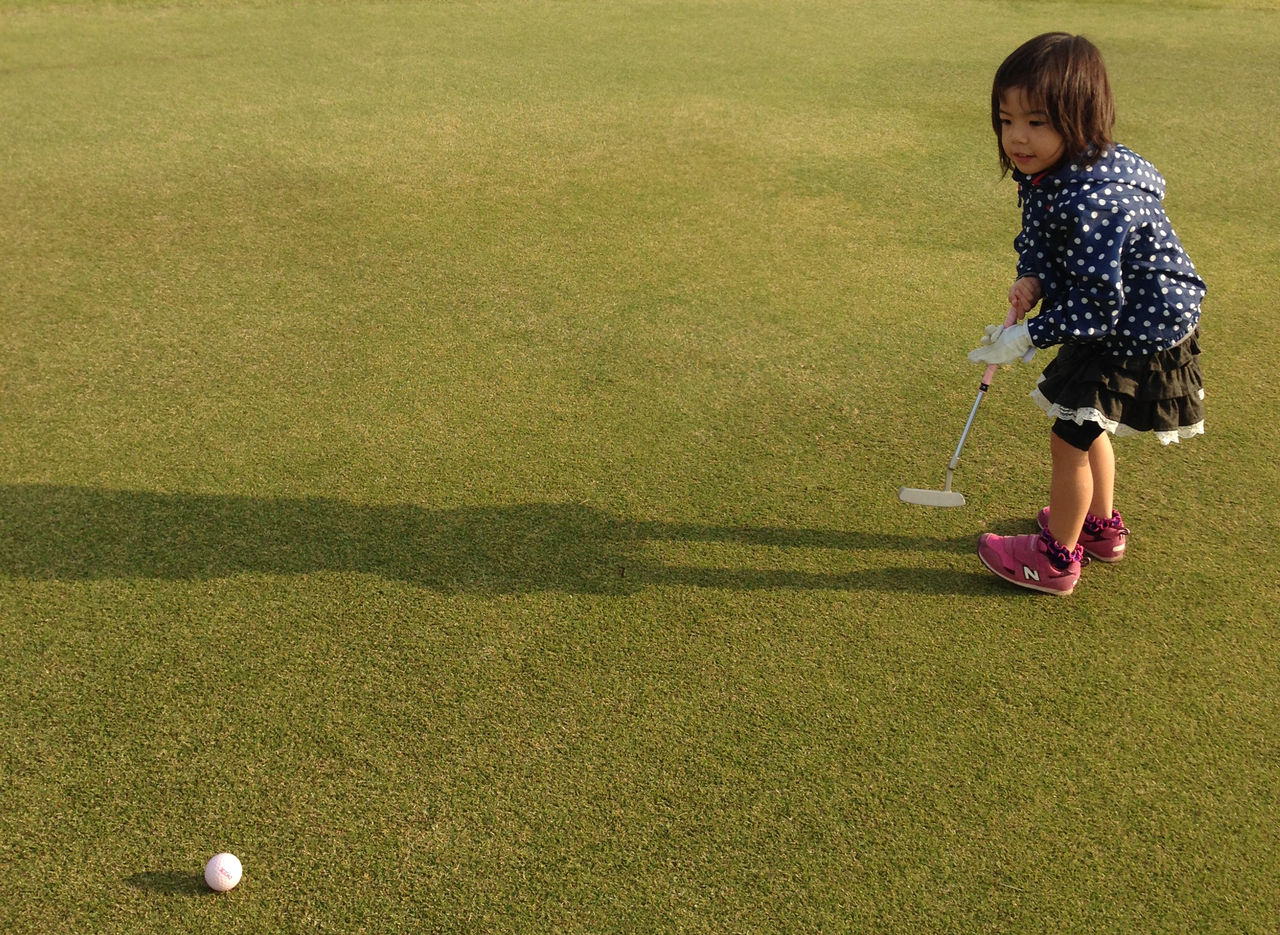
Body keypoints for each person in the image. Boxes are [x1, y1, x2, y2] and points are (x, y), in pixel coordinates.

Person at [968, 32, 1205, 595]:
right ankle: (1098, 527)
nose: (1017, 137)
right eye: (1006, 120)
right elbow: (1042, 238)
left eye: (1037, 122)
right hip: (1118, 321)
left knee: (1069, 438)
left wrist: (1030, 335)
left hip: (1136, 331)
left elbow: (1097, 306)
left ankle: (1055, 560)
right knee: (1087, 422)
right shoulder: (1054, 173)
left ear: (1081, 119)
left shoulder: (1093, 200)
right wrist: (1033, 276)